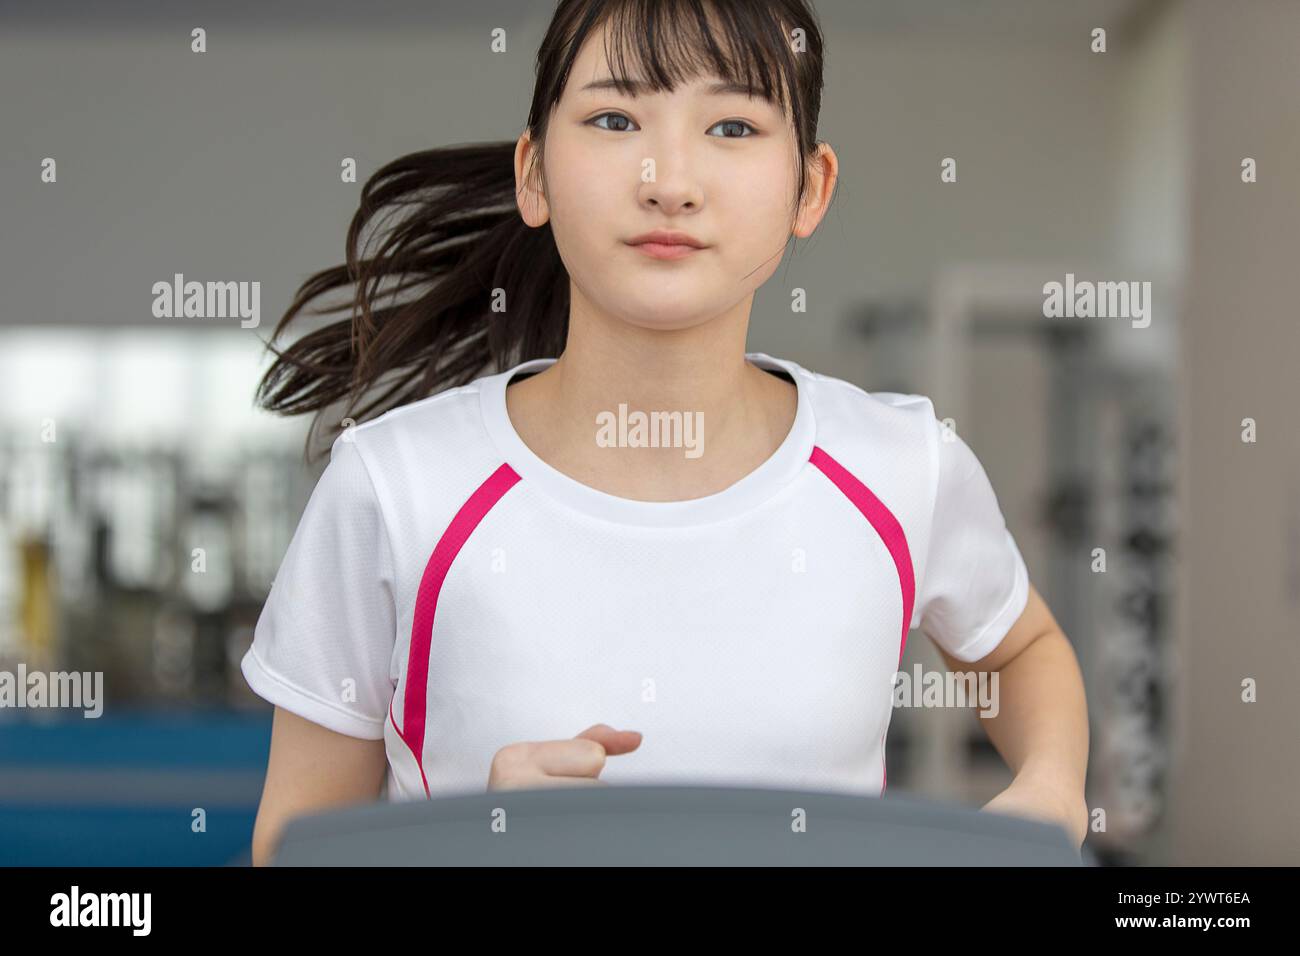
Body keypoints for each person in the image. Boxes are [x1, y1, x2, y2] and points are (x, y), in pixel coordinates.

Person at [241, 0, 1089, 866]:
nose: (669, 179)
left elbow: (1021, 647)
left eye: (732, 125)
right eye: (614, 118)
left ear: (811, 188)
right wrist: (462, 849)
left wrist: (1052, 789)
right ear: (533, 175)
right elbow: (288, 851)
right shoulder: (395, 487)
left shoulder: (906, 467)